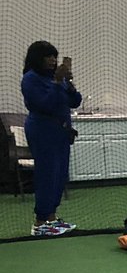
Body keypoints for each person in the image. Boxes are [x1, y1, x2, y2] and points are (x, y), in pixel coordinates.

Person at [20, 40, 81, 238]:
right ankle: (40, 222)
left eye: (54, 57)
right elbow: (45, 104)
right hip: (42, 130)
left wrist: (69, 84)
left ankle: (52, 218)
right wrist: (57, 83)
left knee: (59, 174)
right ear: (37, 58)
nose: (52, 60)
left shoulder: (57, 78)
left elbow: (75, 101)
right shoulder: (31, 79)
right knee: (47, 173)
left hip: (61, 132)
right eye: (48, 57)